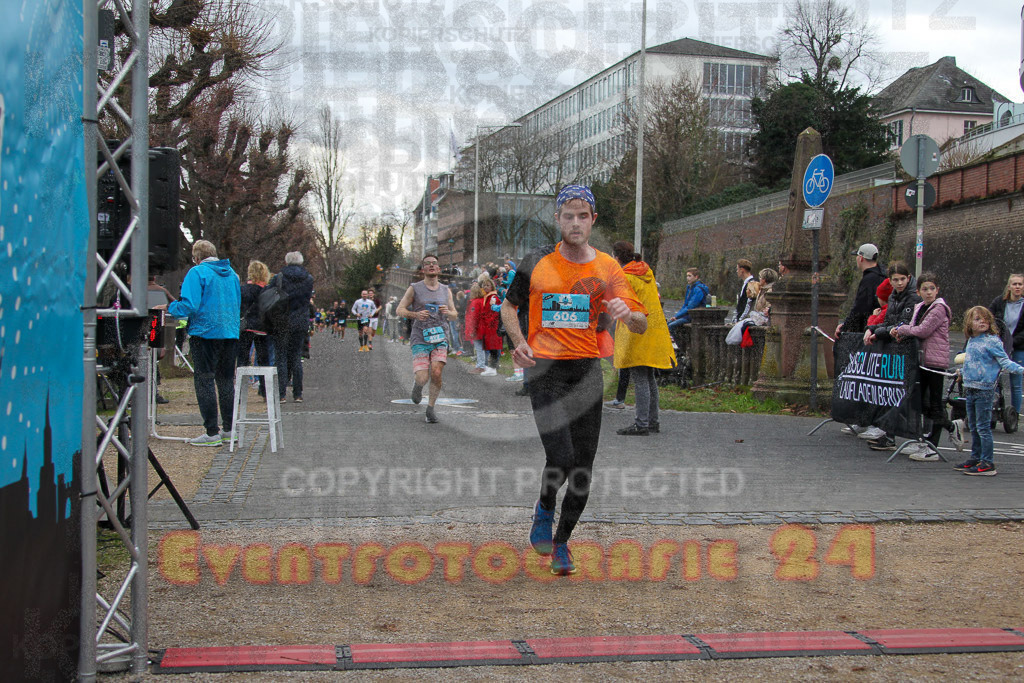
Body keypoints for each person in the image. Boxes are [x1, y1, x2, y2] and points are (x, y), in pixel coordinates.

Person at [501, 184, 647, 575]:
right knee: (561, 456)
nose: (576, 222)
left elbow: (642, 322)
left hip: (586, 372)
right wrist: (518, 343)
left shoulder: (607, 268)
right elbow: (509, 306)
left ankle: (562, 543)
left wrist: (626, 313)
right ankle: (545, 506)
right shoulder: (537, 262)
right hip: (545, 370)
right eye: (569, 215)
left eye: (584, 216)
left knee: (583, 468)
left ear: (593, 220)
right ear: (558, 219)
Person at [164, 240, 241, 446]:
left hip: (205, 333)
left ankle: (211, 432)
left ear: (196, 257)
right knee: (226, 381)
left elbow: (189, 305)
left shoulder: (197, 273)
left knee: (204, 380)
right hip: (230, 333)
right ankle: (229, 429)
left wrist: (170, 307)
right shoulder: (232, 275)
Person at [611, 241, 675, 436]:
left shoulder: (626, 277)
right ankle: (653, 420)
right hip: (654, 330)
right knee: (649, 378)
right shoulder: (646, 272)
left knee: (640, 377)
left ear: (616, 257)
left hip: (638, 331)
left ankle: (641, 423)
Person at [858, 262, 920, 450]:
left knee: (904, 395)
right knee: (890, 393)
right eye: (896, 280)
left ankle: (910, 437)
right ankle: (889, 435)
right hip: (893, 349)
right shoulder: (893, 297)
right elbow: (889, 322)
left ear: (908, 278)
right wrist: (871, 328)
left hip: (905, 350)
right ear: (890, 281)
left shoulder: (912, 298)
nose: (899, 283)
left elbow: (901, 324)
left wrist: (877, 332)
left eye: (902, 279)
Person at [955, 306, 1024, 475]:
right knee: (973, 425)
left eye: (985, 319)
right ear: (969, 323)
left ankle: (988, 462)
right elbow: (971, 362)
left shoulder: (992, 341)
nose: (982, 322)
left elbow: (1005, 362)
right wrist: (962, 373)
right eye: (977, 319)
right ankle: (975, 457)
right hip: (970, 388)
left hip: (984, 390)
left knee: (983, 427)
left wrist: (1021, 369)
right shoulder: (972, 340)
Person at [892, 273, 953, 460]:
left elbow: (923, 331)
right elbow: (913, 328)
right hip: (921, 360)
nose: (928, 292)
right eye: (925, 289)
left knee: (934, 404)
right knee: (920, 402)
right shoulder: (919, 306)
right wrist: (900, 333)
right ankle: (923, 439)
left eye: (932, 289)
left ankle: (935, 444)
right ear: (918, 291)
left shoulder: (939, 308)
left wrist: (901, 329)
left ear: (937, 290)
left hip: (935, 362)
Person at [396, 254, 458, 424]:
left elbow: (454, 315)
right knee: (423, 377)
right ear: (423, 269)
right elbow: (399, 310)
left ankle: (430, 408)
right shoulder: (414, 288)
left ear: (438, 269)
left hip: (440, 337)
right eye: (427, 264)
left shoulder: (446, 290)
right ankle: (418, 386)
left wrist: (448, 312)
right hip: (420, 337)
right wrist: (415, 314)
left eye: (434, 264)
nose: (431, 266)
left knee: (437, 372)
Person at [270, 251, 314, 403]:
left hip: (282, 321)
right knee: (296, 357)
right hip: (301, 321)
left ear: (286, 261)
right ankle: (298, 393)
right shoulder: (309, 279)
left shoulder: (279, 278)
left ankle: (281, 393)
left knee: (281, 357)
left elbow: (270, 297)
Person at [987, 273, 1024, 415]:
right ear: (1009, 286)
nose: (1017, 287)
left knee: (1016, 383)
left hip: (1019, 347)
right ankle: (994, 410)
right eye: (1014, 284)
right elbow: (989, 319)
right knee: (995, 379)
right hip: (999, 346)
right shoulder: (999, 302)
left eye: (1020, 284)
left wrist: (1012, 342)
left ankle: (1013, 415)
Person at [836, 243, 886, 337]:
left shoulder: (868, 280)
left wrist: (845, 327)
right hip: (881, 328)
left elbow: (860, 308)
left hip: (867, 330)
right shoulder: (883, 276)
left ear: (861, 258)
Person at [238, 260, 271, 397]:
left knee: (242, 360)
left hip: (246, 327)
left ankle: (240, 393)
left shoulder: (242, 290)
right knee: (264, 360)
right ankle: (264, 390)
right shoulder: (267, 291)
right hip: (262, 328)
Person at [667, 267, 709, 333]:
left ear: (696, 277)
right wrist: (676, 316)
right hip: (688, 314)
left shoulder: (699, 289)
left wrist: (677, 316)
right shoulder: (689, 287)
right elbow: (685, 304)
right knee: (668, 323)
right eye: (687, 276)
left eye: (690, 276)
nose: (687, 278)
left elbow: (691, 306)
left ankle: (679, 342)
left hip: (695, 316)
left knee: (671, 325)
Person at [476, 276, 502, 376]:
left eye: (488, 285)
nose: (486, 287)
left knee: (494, 347)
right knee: (490, 347)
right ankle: (491, 367)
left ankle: (493, 368)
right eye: (484, 285)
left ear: (492, 286)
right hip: (487, 326)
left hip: (492, 326)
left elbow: (494, 313)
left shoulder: (493, 297)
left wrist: (485, 320)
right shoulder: (486, 297)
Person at [464, 282, 487, 374]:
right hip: (483, 327)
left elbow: (474, 317)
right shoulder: (482, 300)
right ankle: (482, 365)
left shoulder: (475, 302)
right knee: (482, 348)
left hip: (477, 329)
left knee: (478, 348)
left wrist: (472, 330)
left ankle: (481, 366)